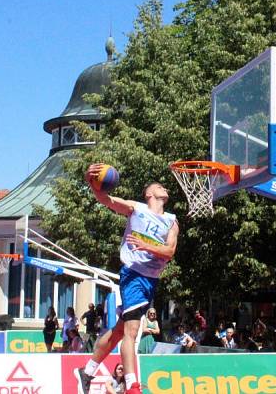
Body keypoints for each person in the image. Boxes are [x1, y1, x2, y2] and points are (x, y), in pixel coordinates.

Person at [77, 164, 179, 394]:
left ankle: (88, 371)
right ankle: (133, 386)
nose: (165, 188)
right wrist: (92, 184)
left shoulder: (172, 221)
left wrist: (147, 245)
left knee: (119, 332)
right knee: (132, 332)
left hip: (151, 280)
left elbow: (169, 252)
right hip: (133, 274)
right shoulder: (137, 209)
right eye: (160, 186)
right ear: (149, 194)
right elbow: (108, 200)